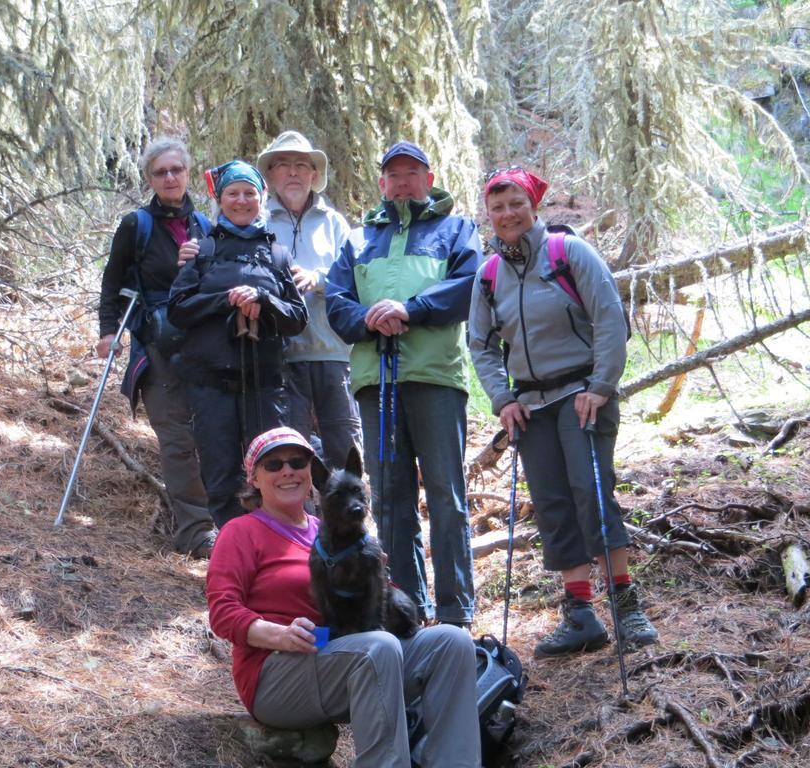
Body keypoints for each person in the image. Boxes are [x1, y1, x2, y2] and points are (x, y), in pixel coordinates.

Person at [207, 427, 481, 768]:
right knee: (378, 647)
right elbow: (222, 612)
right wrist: (280, 634)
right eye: (274, 465)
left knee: (451, 643)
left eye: (297, 461)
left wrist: (380, 576)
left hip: (346, 653)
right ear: (255, 480)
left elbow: (380, 599)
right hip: (277, 673)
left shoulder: (338, 531)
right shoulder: (241, 532)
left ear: (314, 476)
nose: (288, 470)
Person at [467, 166, 658, 656]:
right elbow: (482, 345)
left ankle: (625, 604)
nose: (508, 214)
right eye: (498, 207)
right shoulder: (489, 274)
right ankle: (580, 615)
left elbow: (609, 318)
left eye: (516, 204)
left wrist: (600, 385)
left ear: (533, 206)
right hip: (530, 406)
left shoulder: (568, 252)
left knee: (591, 494)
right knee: (552, 505)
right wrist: (503, 399)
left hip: (581, 396)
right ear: (488, 215)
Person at [326, 140, 481, 626]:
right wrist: (369, 319)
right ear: (382, 183)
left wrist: (409, 310)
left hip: (434, 376)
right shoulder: (357, 240)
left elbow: (469, 285)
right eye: (394, 174)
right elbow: (336, 300)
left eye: (412, 172)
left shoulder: (456, 229)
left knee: (446, 494)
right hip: (377, 383)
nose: (402, 181)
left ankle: (457, 612)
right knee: (390, 500)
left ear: (428, 179)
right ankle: (406, 609)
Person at [169, 160, 308, 528]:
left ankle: (278, 560)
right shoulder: (202, 251)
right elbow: (178, 310)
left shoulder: (277, 255)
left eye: (249, 193)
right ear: (220, 198)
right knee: (220, 476)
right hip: (212, 388)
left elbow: (297, 318)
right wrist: (225, 300)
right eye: (233, 193)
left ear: (261, 198)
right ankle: (229, 565)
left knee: (275, 474)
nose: (241, 200)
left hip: (264, 387)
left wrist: (263, 298)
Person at [97, 137, 216, 559]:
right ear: (149, 178)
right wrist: (108, 331)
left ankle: (221, 524)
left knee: (211, 435)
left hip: (204, 346)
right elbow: (112, 282)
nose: (169, 178)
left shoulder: (205, 226)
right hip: (157, 346)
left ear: (188, 173)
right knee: (177, 439)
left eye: (176, 170)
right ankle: (195, 531)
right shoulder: (137, 226)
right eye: (160, 172)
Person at [255, 130, 361, 468]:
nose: (293, 172)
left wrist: (320, 280)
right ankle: (299, 522)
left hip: (334, 353)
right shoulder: (258, 221)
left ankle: (355, 520)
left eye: (302, 165)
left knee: (346, 451)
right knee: (291, 454)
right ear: (270, 175)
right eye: (283, 165)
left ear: (314, 175)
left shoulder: (335, 224)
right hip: (281, 357)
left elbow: (356, 280)